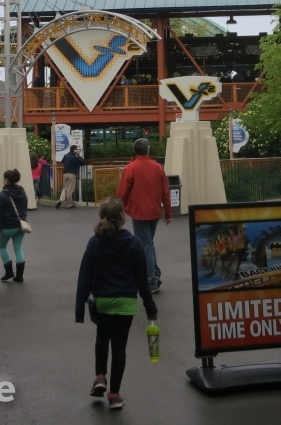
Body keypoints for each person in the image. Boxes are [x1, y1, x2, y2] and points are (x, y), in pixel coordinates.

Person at [74, 197, 158, 411]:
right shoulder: (134, 243)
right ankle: (114, 394)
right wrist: (151, 310)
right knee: (119, 349)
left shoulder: (95, 242)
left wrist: (79, 310)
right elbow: (142, 280)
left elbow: (84, 277)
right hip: (126, 302)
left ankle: (100, 377)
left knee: (102, 337)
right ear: (122, 216)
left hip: (102, 301)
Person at [115, 138, 171, 294]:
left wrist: (119, 209)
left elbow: (122, 192)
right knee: (149, 242)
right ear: (148, 149)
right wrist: (168, 212)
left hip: (139, 212)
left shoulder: (131, 168)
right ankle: (155, 273)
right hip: (154, 211)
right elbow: (166, 192)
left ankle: (151, 281)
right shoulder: (158, 167)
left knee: (145, 245)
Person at [0, 169, 29, 283]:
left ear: (7, 180)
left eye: (3, 178)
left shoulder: (3, 195)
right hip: (21, 225)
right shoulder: (22, 191)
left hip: (8, 226)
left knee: (2, 247)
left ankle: (9, 271)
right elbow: (25, 205)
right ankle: (19, 276)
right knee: (18, 248)